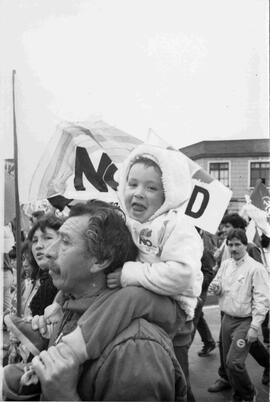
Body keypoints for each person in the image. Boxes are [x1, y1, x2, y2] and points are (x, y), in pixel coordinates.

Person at [3, 200, 186, 401]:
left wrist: (63, 396)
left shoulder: (135, 349)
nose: (48, 251)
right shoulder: (69, 309)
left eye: (64, 241)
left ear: (100, 261)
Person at [208, 212, 270, 392]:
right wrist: (216, 288)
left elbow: (262, 297)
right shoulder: (227, 263)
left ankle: (247, 393)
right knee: (229, 358)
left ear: (245, 244)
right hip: (227, 317)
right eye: (231, 245)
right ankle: (236, 388)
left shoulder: (255, 265)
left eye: (237, 245)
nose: (234, 248)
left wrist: (255, 325)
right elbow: (218, 281)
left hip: (245, 319)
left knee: (234, 361)